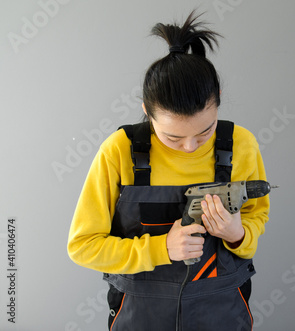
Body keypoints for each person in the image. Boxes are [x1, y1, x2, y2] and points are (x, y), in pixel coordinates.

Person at [67, 10, 270, 331]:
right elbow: (83, 246)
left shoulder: (240, 144)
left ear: (217, 103)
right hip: (141, 315)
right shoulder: (120, 150)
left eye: (205, 132)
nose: (190, 147)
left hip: (221, 311)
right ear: (147, 111)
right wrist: (161, 248)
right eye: (173, 137)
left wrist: (237, 234)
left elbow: (256, 217)